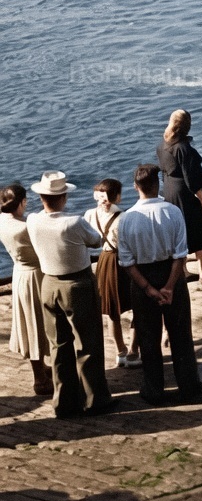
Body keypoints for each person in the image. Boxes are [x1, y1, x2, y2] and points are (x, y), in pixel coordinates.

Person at [26, 171, 114, 417]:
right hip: (77, 284)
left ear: (42, 197)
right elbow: (96, 241)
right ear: (63, 197)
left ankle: (64, 401)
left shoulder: (33, 220)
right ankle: (94, 399)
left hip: (48, 284)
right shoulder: (73, 222)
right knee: (88, 344)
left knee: (58, 345)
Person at [118, 164, 201, 406]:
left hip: (142, 279)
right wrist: (169, 287)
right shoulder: (173, 212)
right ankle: (188, 385)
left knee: (148, 336)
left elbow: (127, 262)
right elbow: (180, 254)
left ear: (136, 187)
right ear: (158, 185)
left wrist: (148, 289)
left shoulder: (126, 219)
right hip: (171, 275)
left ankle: (154, 389)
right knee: (180, 334)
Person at [156, 109, 202, 284]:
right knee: (198, 230)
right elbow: (191, 179)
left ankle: (183, 270)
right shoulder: (183, 148)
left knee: (180, 230)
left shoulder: (162, 145)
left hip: (170, 191)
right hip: (186, 194)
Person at [0, 183, 52, 396]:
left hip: (20, 275)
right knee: (40, 325)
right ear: (22, 202)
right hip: (36, 276)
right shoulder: (26, 226)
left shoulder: (3, 222)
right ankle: (40, 379)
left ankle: (40, 370)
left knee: (30, 323)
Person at [85, 179, 139, 368]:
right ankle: (134, 351)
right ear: (117, 196)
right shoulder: (125, 216)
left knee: (112, 311)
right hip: (125, 261)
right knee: (137, 307)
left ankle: (120, 352)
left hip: (105, 260)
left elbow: (91, 242)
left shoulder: (90, 214)